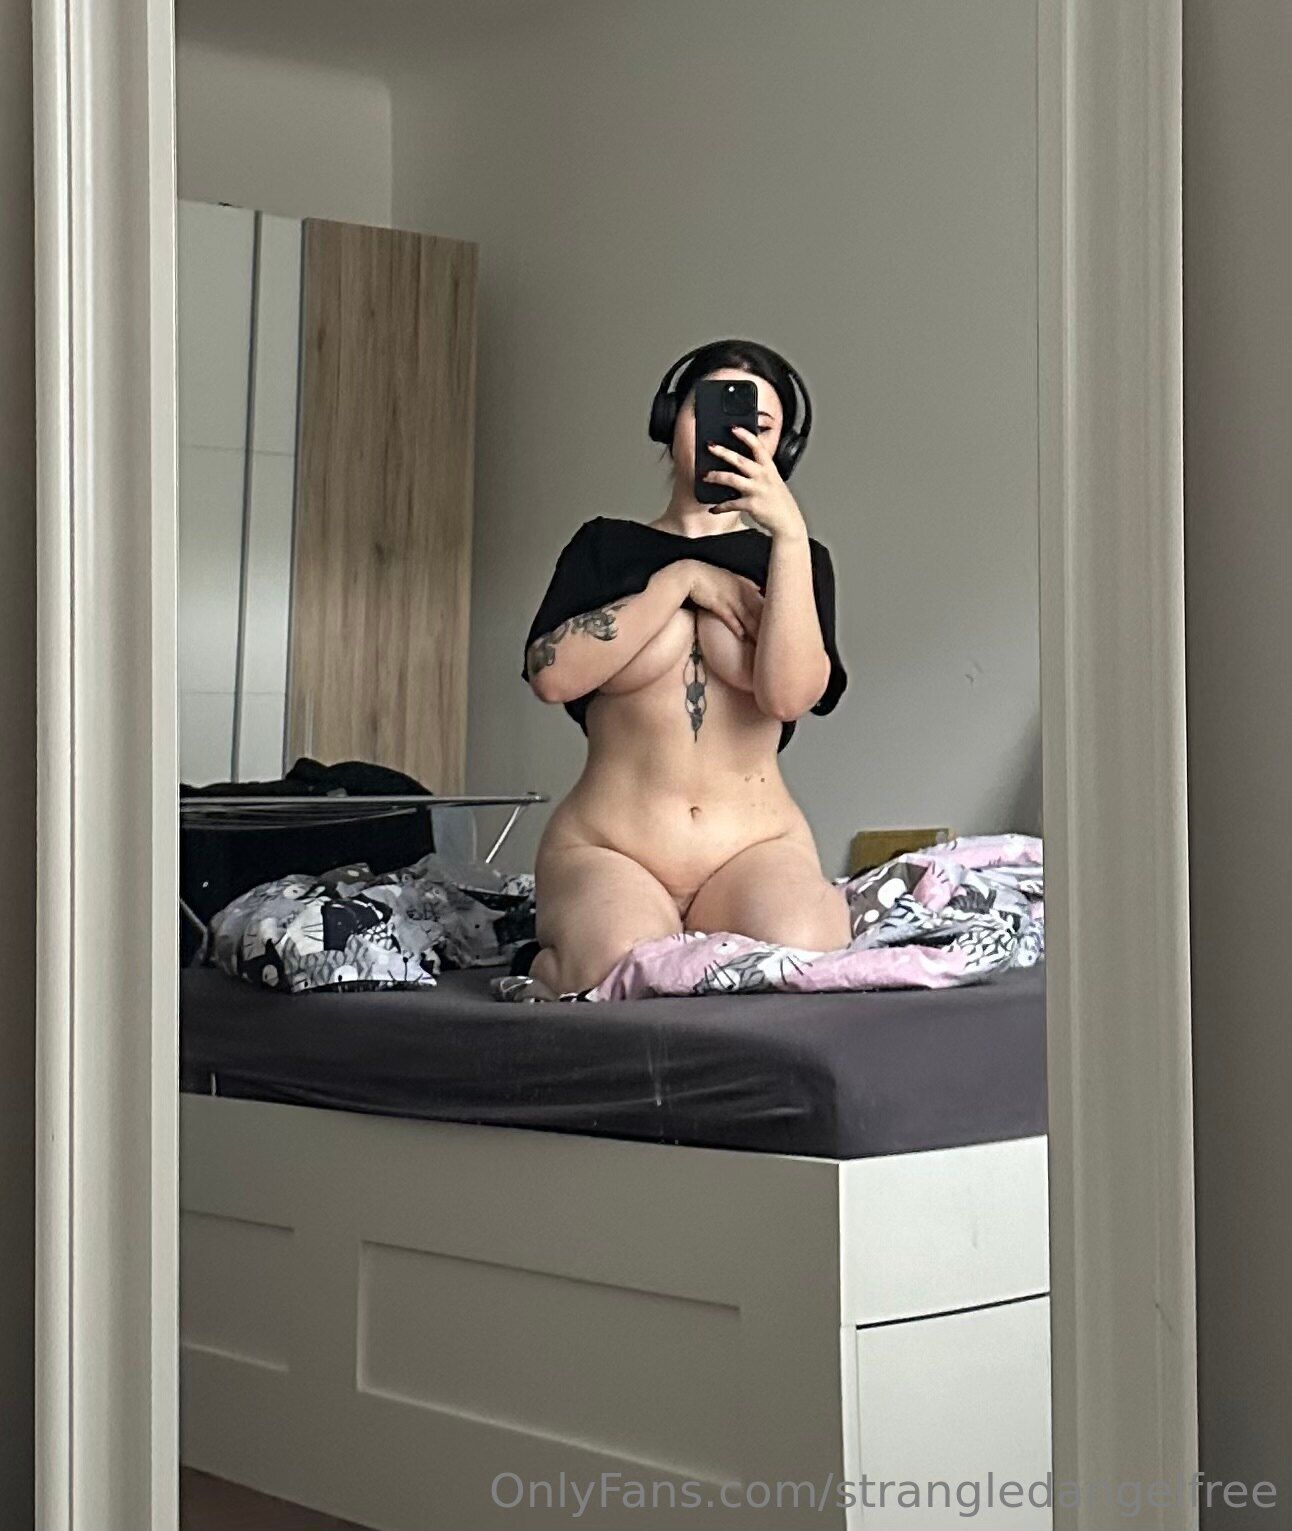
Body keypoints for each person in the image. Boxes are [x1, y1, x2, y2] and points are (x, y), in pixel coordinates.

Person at [520, 339, 851, 997]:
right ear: (670, 420)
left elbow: (788, 696)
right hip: (609, 848)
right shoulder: (604, 546)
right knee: (617, 967)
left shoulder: (798, 559)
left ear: (782, 451)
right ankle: (547, 966)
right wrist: (681, 580)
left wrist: (787, 535)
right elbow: (551, 676)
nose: (734, 437)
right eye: (711, 411)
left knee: (802, 953)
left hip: (754, 848)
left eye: (760, 427)